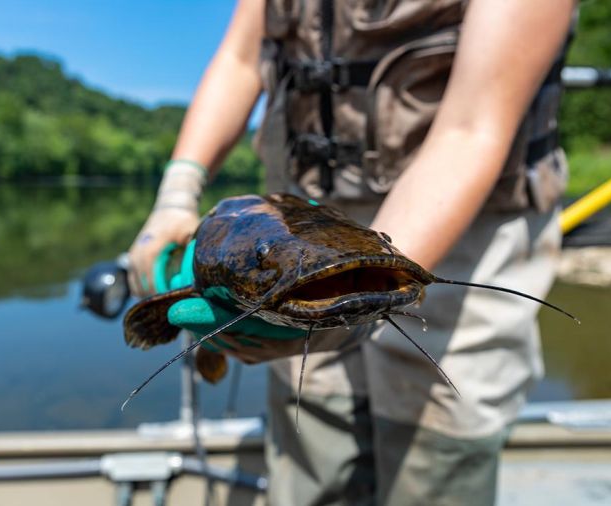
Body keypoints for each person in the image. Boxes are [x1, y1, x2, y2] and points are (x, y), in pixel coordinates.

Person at [128, 0, 576, 504]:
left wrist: (369, 288)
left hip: (466, 224)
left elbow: (472, 128)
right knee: (314, 434)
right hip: (292, 223)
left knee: (436, 447)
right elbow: (239, 57)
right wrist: (178, 188)